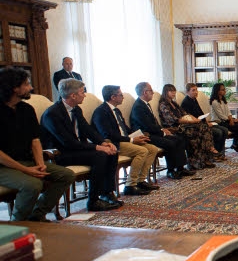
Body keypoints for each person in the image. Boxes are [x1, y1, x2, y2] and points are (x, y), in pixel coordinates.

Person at [0, 67, 75, 221]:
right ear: (14, 88)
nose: (31, 88)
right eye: (27, 84)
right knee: (32, 184)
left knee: (66, 175)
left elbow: (35, 140)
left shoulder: (27, 109)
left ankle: (36, 216)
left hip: (28, 160)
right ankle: (18, 225)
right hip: (3, 167)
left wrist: (40, 164)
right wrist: (26, 170)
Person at [41, 78, 121, 212]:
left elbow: (87, 130)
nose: (84, 95)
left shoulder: (76, 109)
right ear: (73, 95)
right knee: (100, 156)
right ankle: (93, 201)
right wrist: (98, 147)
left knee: (112, 152)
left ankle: (107, 193)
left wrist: (104, 143)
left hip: (77, 149)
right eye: (82, 92)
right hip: (61, 154)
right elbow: (67, 142)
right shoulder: (52, 114)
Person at [91, 85, 160, 196]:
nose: (123, 97)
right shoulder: (101, 112)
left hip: (125, 140)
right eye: (121, 95)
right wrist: (132, 140)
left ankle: (140, 181)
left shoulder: (116, 110)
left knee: (152, 148)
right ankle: (130, 185)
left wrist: (138, 136)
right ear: (113, 97)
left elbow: (125, 129)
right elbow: (108, 134)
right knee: (142, 151)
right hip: (114, 143)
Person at [130, 82, 192, 180]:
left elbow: (153, 123)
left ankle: (180, 168)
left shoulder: (145, 104)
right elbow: (147, 126)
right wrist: (162, 132)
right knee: (169, 143)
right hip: (146, 135)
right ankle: (170, 170)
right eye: (151, 90)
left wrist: (162, 129)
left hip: (154, 132)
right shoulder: (138, 107)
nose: (153, 92)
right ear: (145, 92)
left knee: (179, 139)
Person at [158, 84, 217, 170]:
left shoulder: (173, 103)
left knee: (203, 127)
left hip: (183, 125)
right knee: (197, 131)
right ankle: (195, 161)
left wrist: (194, 119)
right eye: (171, 91)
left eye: (174, 91)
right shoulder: (163, 105)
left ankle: (204, 158)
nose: (174, 93)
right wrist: (191, 121)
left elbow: (185, 113)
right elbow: (174, 120)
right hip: (173, 127)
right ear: (166, 92)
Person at [181, 83, 227, 159]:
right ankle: (214, 154)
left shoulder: (194, 100)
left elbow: (200, 113)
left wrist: (206, 122)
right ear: (187, 92)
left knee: (224, 130)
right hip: (196, 126)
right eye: (193, 90)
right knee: (218, 132)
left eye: (196, 90)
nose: (196, 92)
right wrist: (204, 124)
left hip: (202, 123)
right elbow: (190, 118)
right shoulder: (186, 102)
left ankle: (220, 153)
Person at [209, 82, 238, 152]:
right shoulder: (214, 102)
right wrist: (231, 120)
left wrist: (232, 119)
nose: (225, 91)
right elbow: (221, 116)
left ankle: (237, 144)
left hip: (226, 121)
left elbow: (228, 112)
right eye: (222, 90)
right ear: (217, 91)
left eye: (224, 89)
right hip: (218, 122)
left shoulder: (223, 100)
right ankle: (237, 144)